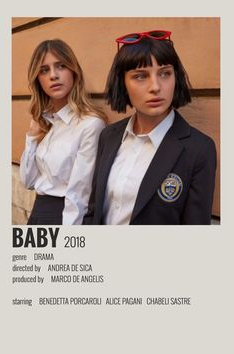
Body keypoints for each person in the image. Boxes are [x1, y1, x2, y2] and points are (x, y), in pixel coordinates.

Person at [83, 30, 217, 225]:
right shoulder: (108, 136)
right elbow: (94, 210)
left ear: (175, 78)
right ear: (123, 83)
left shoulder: (199, 149)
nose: (155, 86)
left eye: (165, 73)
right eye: (140, 76)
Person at [20, 39, 106, 225]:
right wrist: (32, 137)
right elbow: (28, 182)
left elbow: (80, 193)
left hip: (63, 216)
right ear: (38, 79)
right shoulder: (45, 122)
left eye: (61, 66)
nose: (53, 75)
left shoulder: (90, 125)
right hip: (37, 213)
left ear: (73, 72)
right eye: (44, 70)